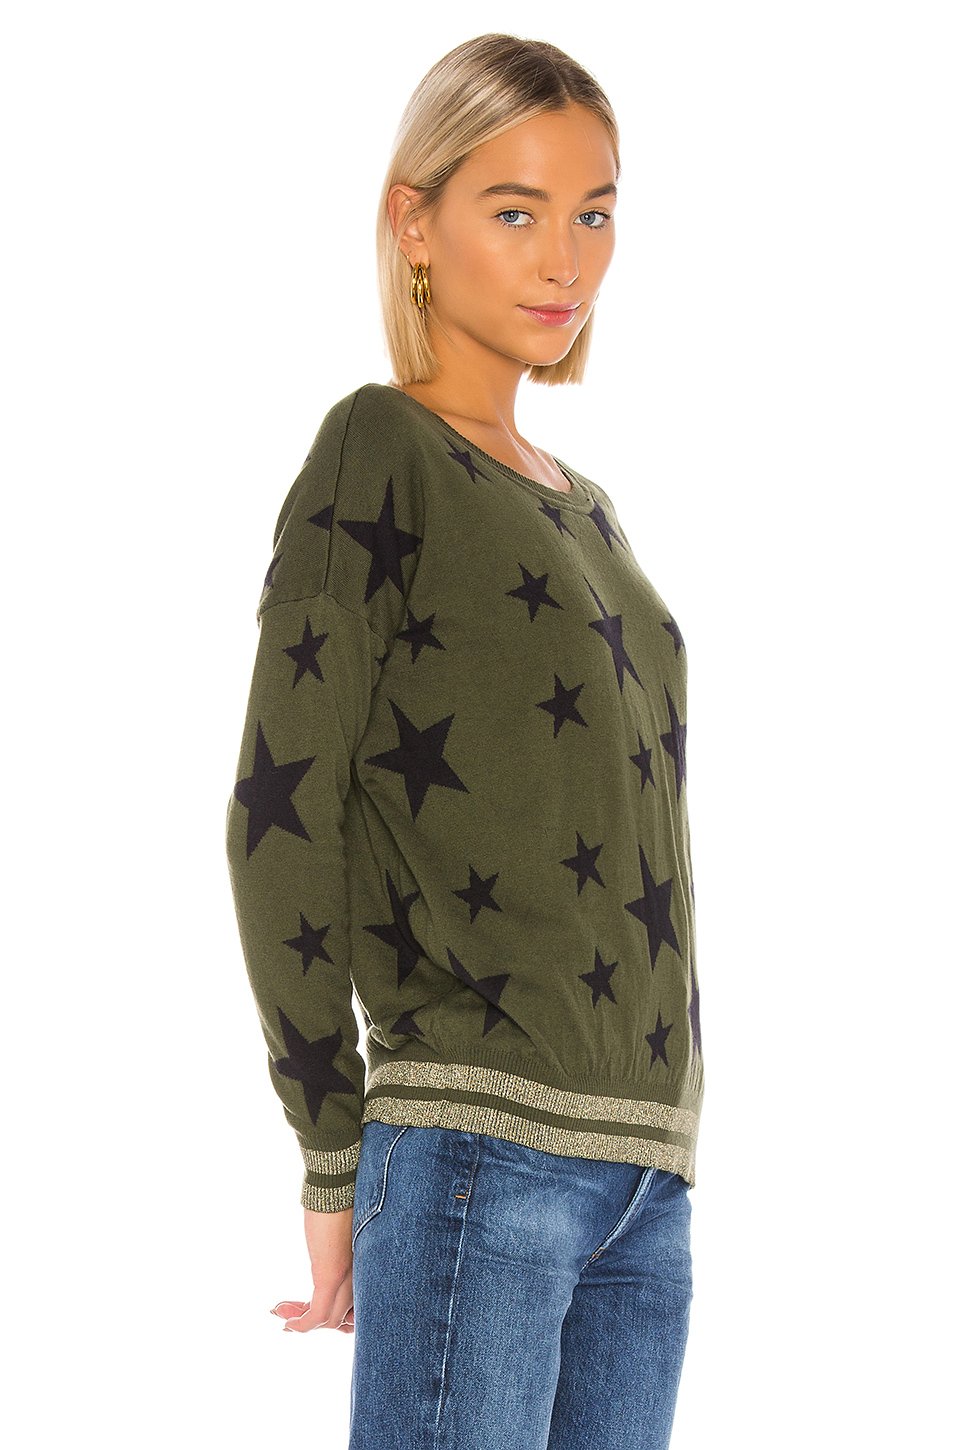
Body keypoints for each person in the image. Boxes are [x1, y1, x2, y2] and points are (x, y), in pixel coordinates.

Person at [225, 32, 704, 1450]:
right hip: (480, 1153)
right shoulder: (379, 450)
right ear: (415, 221)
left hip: (646, 1180)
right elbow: (281, 809)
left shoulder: (589, 508)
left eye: (594, 212)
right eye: (516, 210)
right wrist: (331, 1149)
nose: (566, 258)